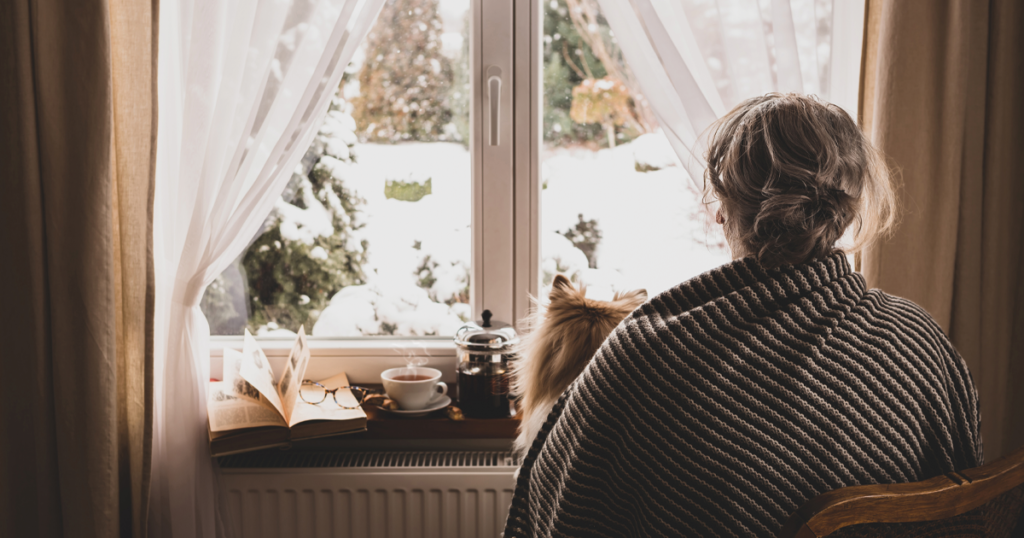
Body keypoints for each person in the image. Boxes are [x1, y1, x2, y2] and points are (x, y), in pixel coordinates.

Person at [504, 93, 982, 537]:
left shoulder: (650, 354)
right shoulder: (918, 339)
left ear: (723, 210)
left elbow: (563, 515)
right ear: (847, 207)